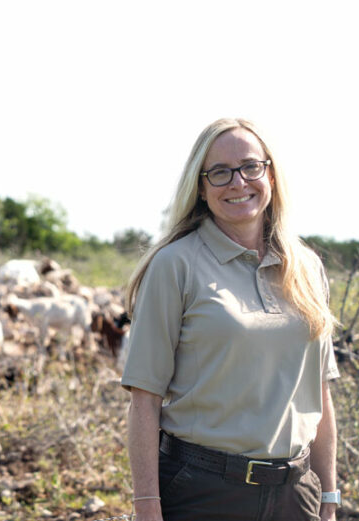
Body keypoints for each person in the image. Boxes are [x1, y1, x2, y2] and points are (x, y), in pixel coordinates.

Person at [121, 118, 340, 521]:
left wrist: (328, 495)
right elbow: (144, 399)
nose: (238, 183)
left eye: (250, 166)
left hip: (297, 495)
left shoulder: (307, 268)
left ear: (270, 174)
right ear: (201, 189)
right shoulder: (175, 265)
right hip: (204, 493)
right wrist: (147, 505)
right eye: (219, 172)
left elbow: (319, 397)